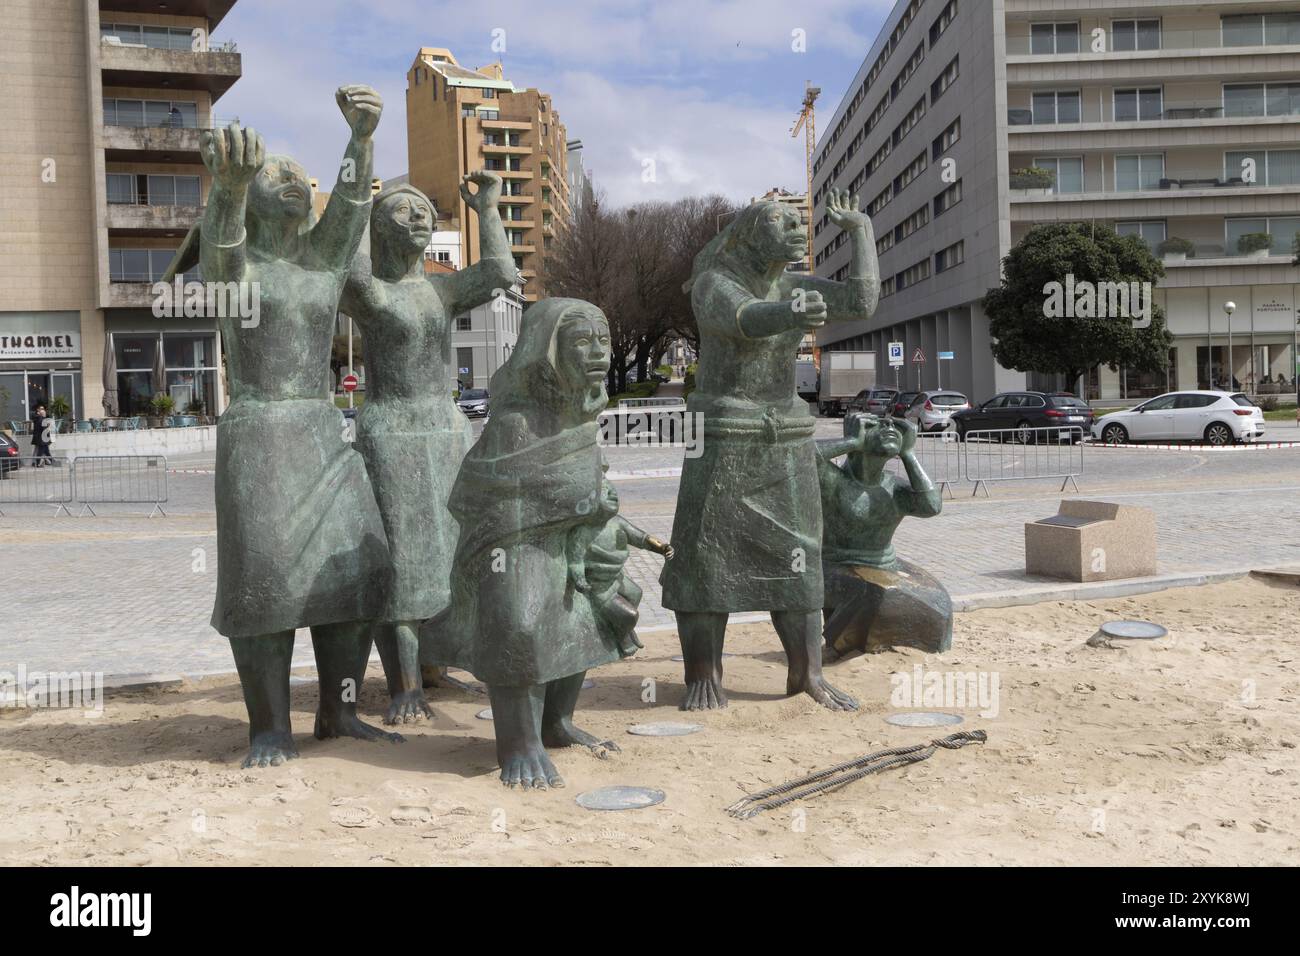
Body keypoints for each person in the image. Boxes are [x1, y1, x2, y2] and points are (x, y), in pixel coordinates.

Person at [164, 86, 400, 768]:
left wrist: (359, 140)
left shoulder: (322, 264)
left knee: (358, 575)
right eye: (279, 175)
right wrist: (229, 191)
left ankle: (341, 709)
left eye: (302, 177)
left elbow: (353, 210)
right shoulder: (240, 270)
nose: (295, 182)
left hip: (323, 435)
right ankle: (269, 727)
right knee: (263, 581)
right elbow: (219, 258)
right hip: (260, 433)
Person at [660, 190, 879, 711]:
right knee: (706, 560)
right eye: (779, 222)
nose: (793, 230)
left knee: (800, 559)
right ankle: (704, 675)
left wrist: (861, 232)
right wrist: (790, 310)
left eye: (796, 223)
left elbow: (861, 302)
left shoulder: (796, 285)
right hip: (721, 434)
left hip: (786, 437)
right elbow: (746, 318)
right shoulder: (716, 284)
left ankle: (807, 675)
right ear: (748, 236)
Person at [422, 298, 647, 789]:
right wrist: (585, 501)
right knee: (519, 626)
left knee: (581, 621)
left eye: (603, 341)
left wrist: (594, 513)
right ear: (548, 353)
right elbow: (489, 489)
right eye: (582, 342)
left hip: (568, 540)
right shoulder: (515, 421)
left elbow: (587, 485)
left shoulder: (582, 412)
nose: (598, 352)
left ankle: (555, 723)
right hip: (511, 542)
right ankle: (519, 744)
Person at [339, 172, 516, 723]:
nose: (417, 219)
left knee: (453, 550)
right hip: (391, 431)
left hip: (444, 428)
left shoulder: (441, 289)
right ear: (376, 227)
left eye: (424, 211)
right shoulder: (372, 293)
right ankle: (405, 683)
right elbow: (345, 270)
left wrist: (486, 210)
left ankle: (438, 664)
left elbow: (502, 274)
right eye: (401, 211)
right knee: (406, 554)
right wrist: (357, 202)